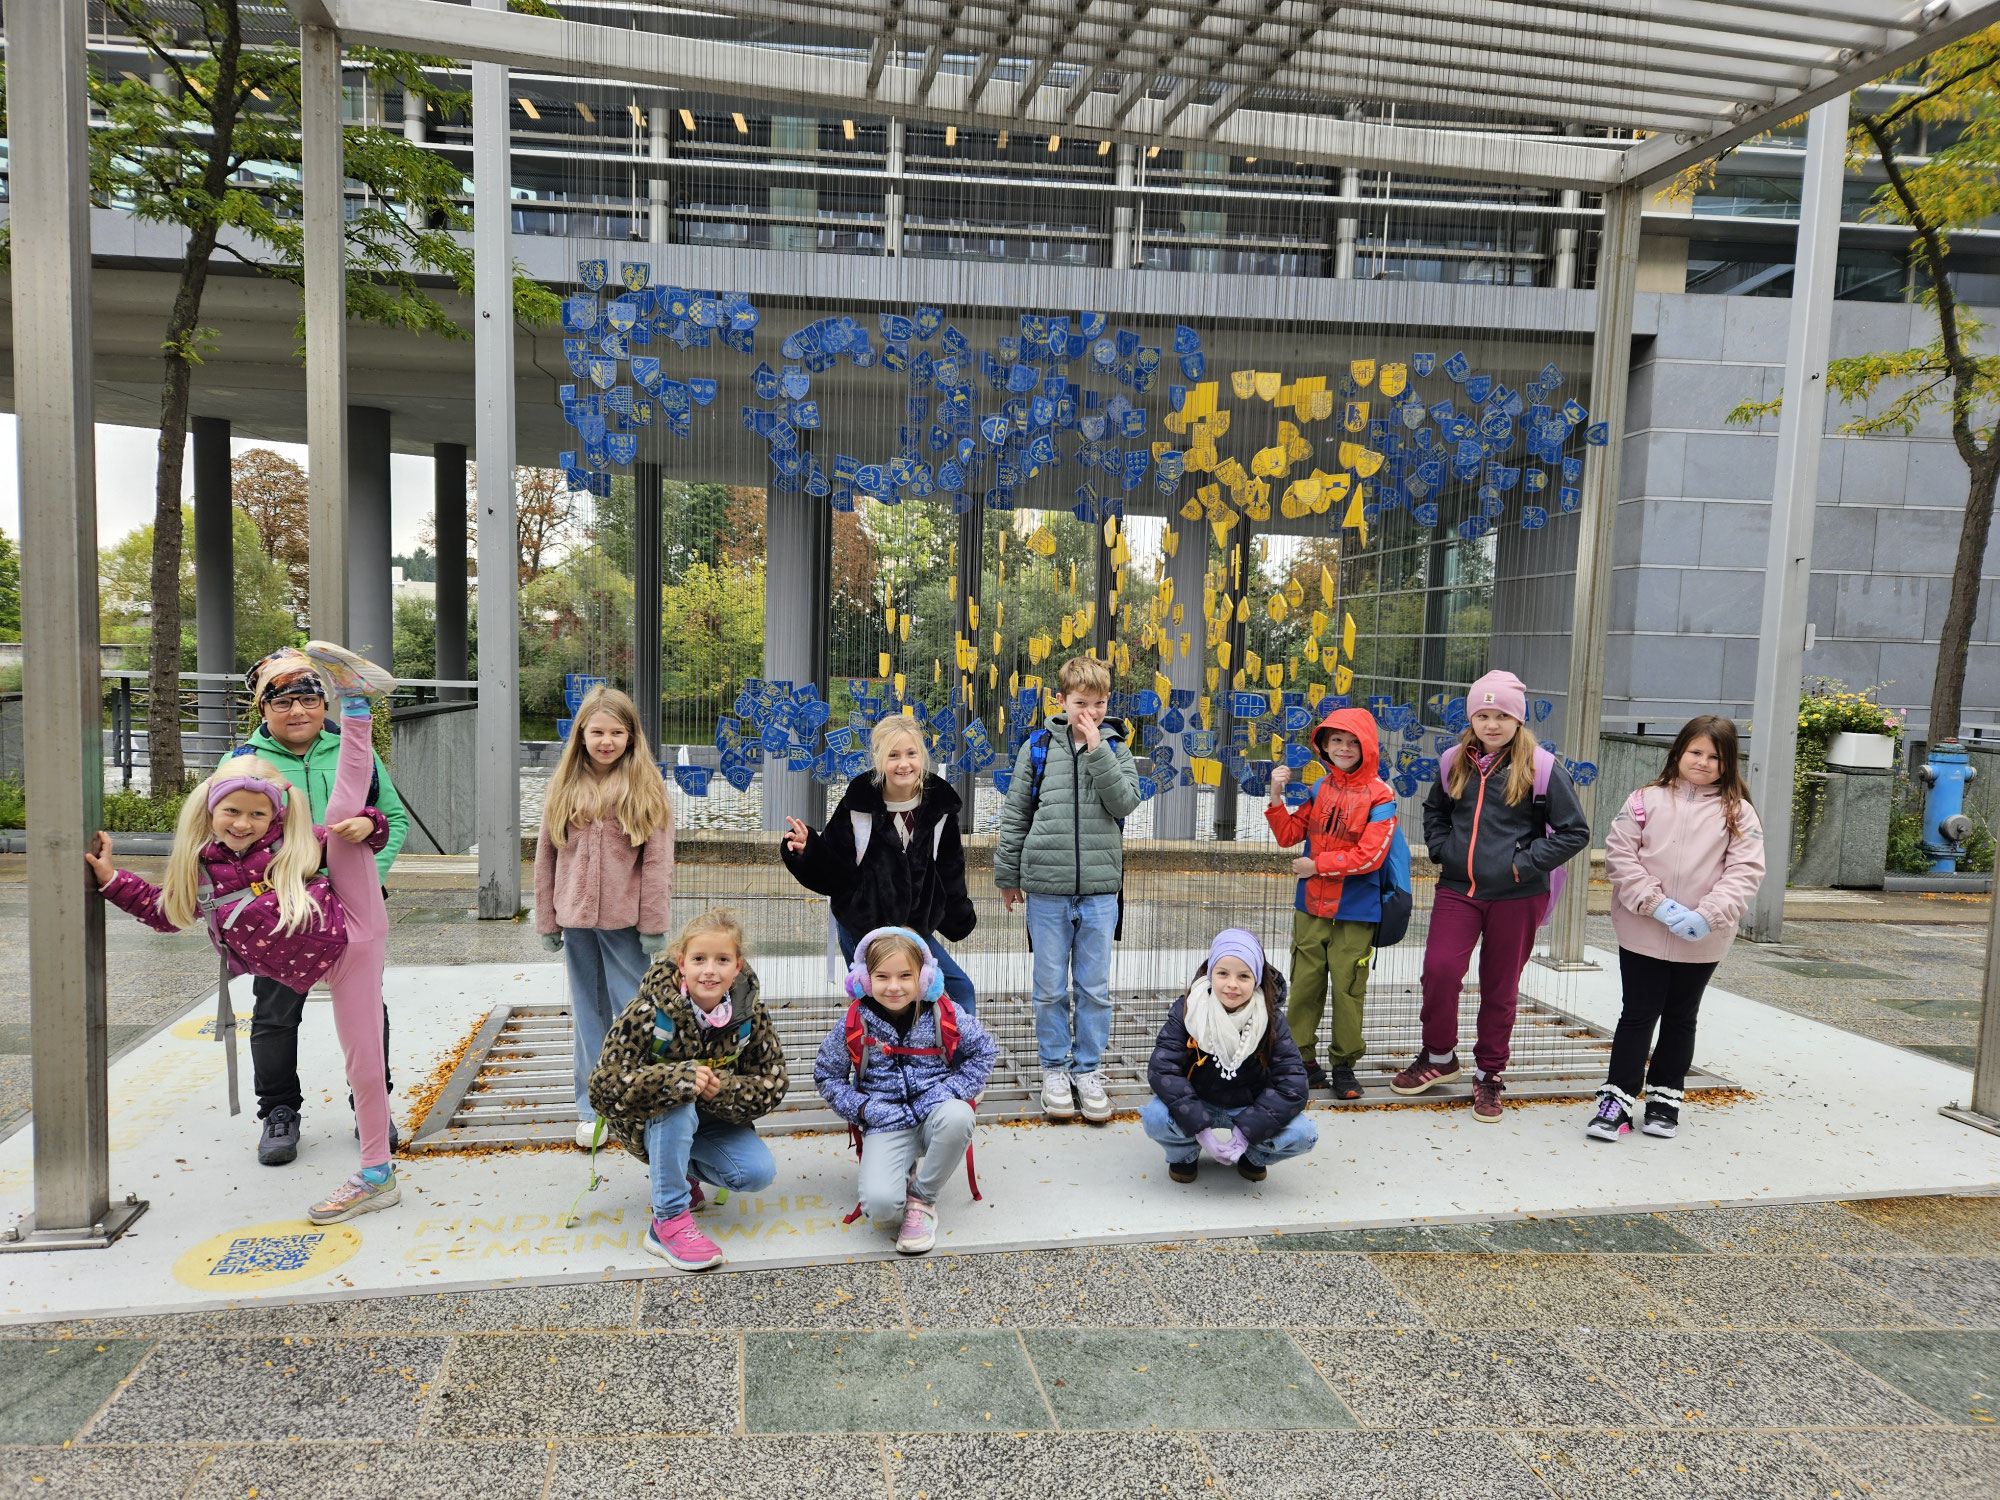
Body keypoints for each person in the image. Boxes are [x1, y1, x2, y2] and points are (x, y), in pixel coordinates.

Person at [89, 643, 402, 1224]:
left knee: (343, 815)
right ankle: (335, 1149)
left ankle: (357, 701)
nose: (243, 823)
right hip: (308, 959)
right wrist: (111, 880)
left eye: (258, 815)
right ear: (209, 812)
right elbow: (166, 911)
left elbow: (371, 814)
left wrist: (372, 825)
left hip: (353, 922)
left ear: (277, 819)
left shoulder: (287, 848)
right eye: (231, 813)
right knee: (311, 1038)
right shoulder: (204, 867)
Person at [232, 651, 408, 1167]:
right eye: (282, 701)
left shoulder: (353, 752)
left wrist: (365, 879)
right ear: (262, 708)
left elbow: (391, 820)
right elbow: (225, 832)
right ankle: (279, 1111)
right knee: (276, 1011)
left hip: (352, 904)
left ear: (323, 703)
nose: (298, 711)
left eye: (309, 698)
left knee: (367, 1008)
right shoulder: (245, 763)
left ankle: (370, 1105)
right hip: (282, 909)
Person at [1392, 669, 1590, 1122]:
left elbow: (1574, 831)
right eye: (1483, 714)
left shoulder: (1540, 766)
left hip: (1518, 896)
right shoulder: (1452, 761)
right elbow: (1434, 811)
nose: (1492, 724)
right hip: (1459, 890)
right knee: (1440, 971)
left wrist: (1524, 862)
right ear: (1472, 718)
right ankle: (1439, 1056)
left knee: (1500, 989)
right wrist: (1442, 849)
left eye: (1501, 715)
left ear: (1517, 719)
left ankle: (1488, 1075)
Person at [1589, 715, 1765, 1142]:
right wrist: (1657, 904)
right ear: (1679, 752)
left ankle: (1666, 1097)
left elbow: (1744, 871)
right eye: (1696, 752)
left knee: (1681, 1017)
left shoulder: (1738, 812)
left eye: (1714, 756)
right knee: (1637, 1014)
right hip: (1643, 929)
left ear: (1728, 764)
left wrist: (1707, 915)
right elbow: (1619, 855)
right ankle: (1617, 1100)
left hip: (1703, 937)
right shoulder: (1644, 800)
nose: (1703, 762)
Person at [587, 909, 787, 1271]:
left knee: (756, 1173)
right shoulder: (648, 1012)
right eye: (699, 959)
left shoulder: (750, 1016)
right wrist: (674, 1080)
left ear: (737, 966)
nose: (710, 970)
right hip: (651, 1125)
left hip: (711, 1121)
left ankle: (681, 1175)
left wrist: (722, 1089)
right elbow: (603, 1086)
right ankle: (667, 1221)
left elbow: (773, 1082)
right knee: (678, 1102)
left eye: (722, 959)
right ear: (682, 964)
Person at [993, 654, 1140, 1124]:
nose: (1089, 713)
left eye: (1098, 704)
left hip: (1099, 888)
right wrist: (1007, 876)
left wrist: (1099, 749)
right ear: (1060, 700)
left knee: (1094, 989)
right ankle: (1055, 1069)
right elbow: (1016, 812)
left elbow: (1125, 801)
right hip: (1046, 887)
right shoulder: (1037, 746)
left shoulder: (1117, 747)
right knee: (1050, 987)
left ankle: (1088, 1071)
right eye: (1081, 703)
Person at [534, 685, 676, 1148]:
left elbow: (657, 861)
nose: (606, 741)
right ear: (582, 735)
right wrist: (547, 920)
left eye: (617, 732)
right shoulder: (564, 784)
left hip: (626, 923)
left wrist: (654, 924)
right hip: (575, 919)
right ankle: (592, 1106)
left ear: (632, 736)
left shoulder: (645, 785)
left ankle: (643, 1098)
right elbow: (545, 857)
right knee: (588, 1014)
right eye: (597, 732)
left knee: (637, 1013)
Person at [813, 926, 996, 1255]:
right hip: (886, 1121)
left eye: (905, 976)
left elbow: (984, 1052)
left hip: (934, 1114)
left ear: (925, 979)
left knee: (958, 1116)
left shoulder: (947, 1014)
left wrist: (948, 1091)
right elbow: (827, 1075)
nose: (894, 987)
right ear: (864, 981)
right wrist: (866, 1109)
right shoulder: (855, 1021)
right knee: (881, 1208)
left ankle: (923, 1200)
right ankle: (902, 1171)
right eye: (882, 977)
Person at [780, 714, 978, 1013]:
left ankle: (962, 1057)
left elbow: (950, 868)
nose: (904, 764)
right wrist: (809, 850)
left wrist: (957, 915)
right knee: (878, 1002)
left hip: (914, 927)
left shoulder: (941, 808)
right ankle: (874, 1057)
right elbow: (835, 872)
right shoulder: (859, 804)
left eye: (911, 754)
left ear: (922, 756)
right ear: (878, 759)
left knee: (959, 989)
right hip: (863, 925)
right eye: (893, 755)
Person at [1265, 705, 1399, 1100]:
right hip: (1311, 908)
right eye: (1336, 740)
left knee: (1348, 988)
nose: (1343, 747)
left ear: (1367, 746)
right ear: (1323, 745)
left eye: (1352, 741)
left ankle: (1344, 1065)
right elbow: (1289, 835)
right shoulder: (1320, 787)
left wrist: (1316, 866)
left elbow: (1371, 857)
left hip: (1356, 911)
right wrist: (1276, 796)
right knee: (1305, 984)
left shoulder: (1381, 794)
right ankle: (1300, 1061)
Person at [1142, 928, 1317, 1183]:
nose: (1232, 984)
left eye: (1244, 976)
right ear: (1211, 972)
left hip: (1249, 1106)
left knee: (1304, 1134)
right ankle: (1185, 1153)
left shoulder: (1271, 1019)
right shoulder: (1188, 1009)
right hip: (1199, 1101)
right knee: (1155, 1117)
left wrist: (1249, 1131)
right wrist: (1199, 1127)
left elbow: (1293, 1085)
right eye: (1223, 973)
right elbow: (1163, 1069)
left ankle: (1253, 1156)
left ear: (1256, 979)